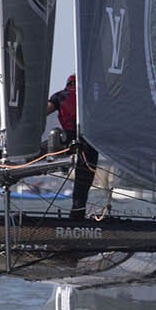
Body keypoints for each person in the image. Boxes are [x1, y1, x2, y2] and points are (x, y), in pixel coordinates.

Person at [46, 73, 98, 220]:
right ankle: (77, 213)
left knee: (49, 145)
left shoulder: (60, 96)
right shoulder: (93, 96)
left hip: (66, 139)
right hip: (89, 141)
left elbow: (42, 113)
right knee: (84, 180)